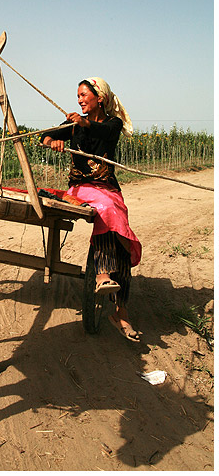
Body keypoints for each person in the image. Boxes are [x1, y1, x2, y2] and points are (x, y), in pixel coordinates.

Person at [41, 77, 142, 342]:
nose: (79, 99)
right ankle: (103, 276)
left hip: (108, 189)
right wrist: (53, 141)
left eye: (84, 95)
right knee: (107, 211)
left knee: (117, 230)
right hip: (81, 189)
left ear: (100, 97)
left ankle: (120, 309)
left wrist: (83, 123)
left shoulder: (113, 123)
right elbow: (45, 136)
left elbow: (103, 133)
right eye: (77, 96)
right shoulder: (74, 124)